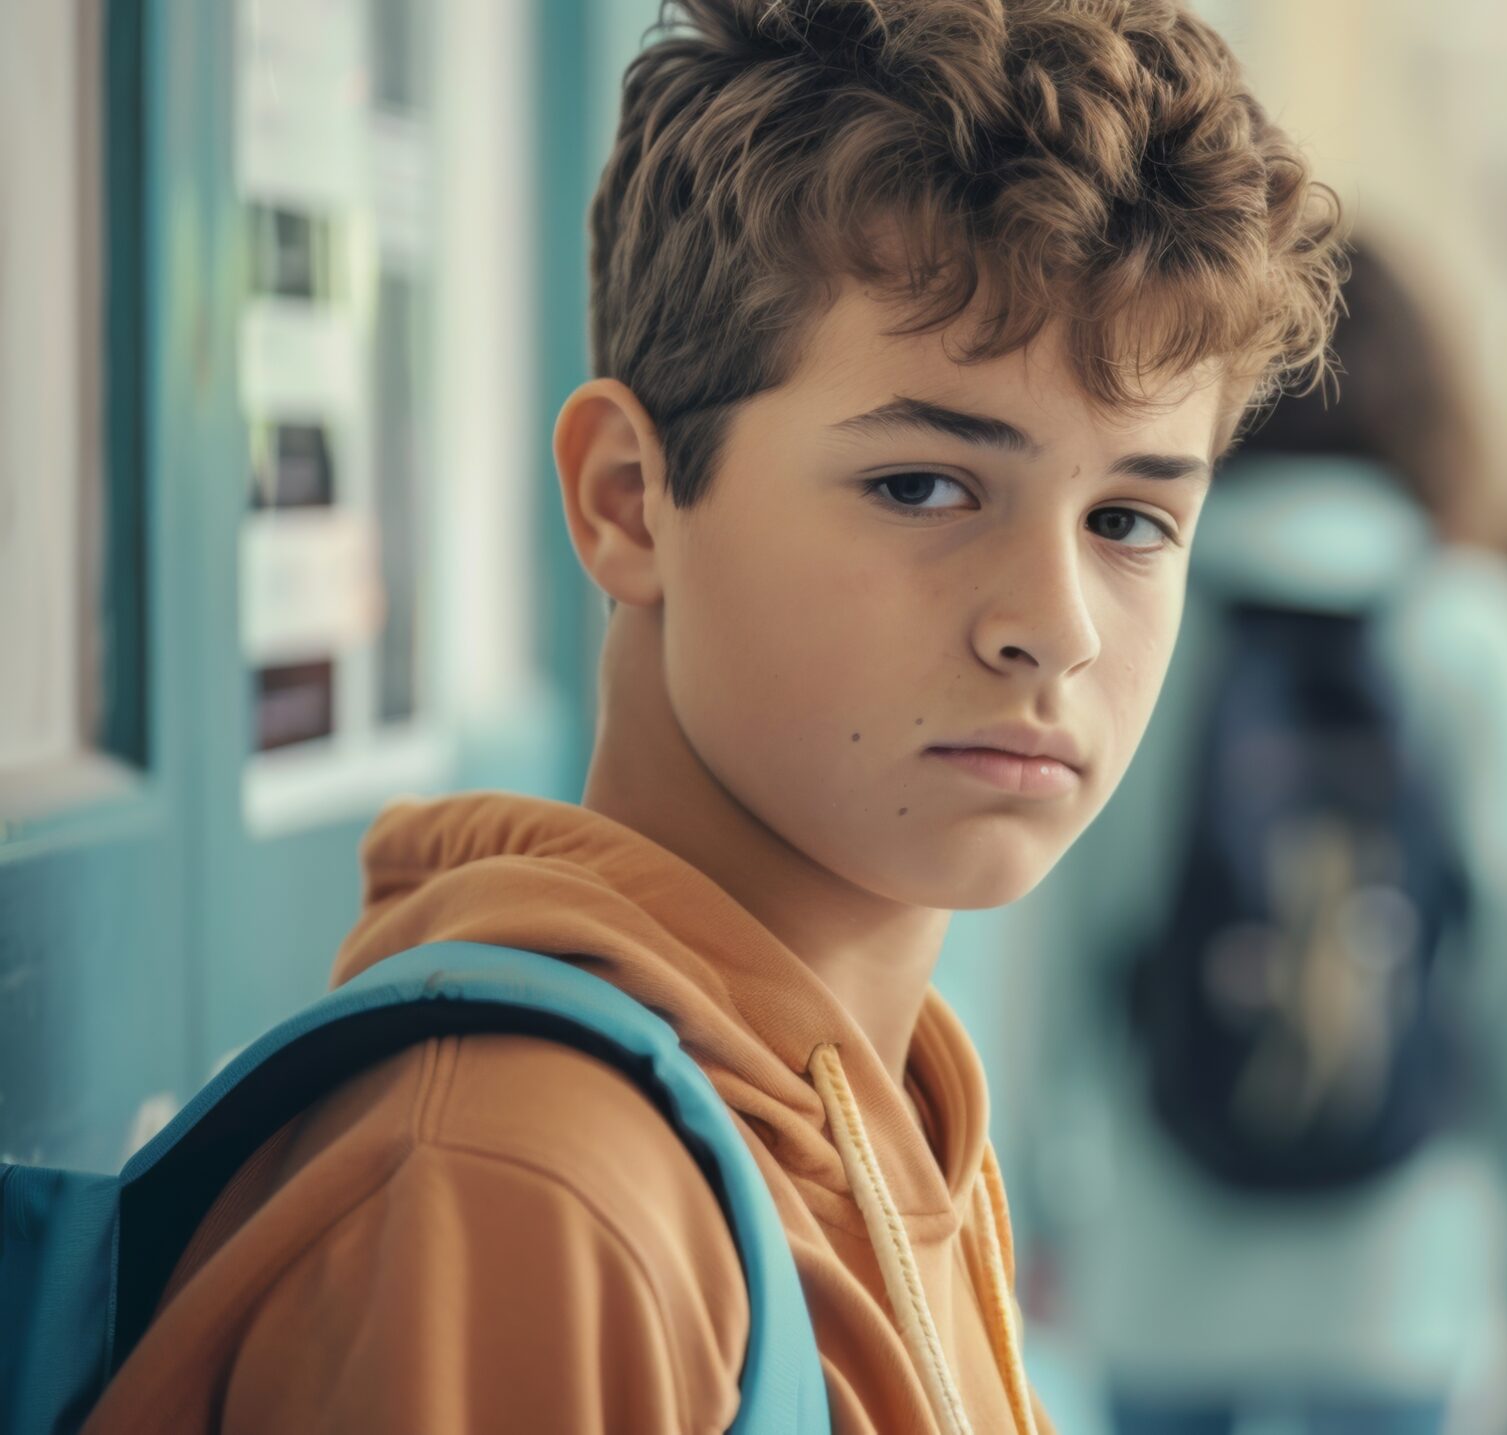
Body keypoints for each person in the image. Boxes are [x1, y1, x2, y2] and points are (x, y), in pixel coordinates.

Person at [82, 1, 1345, 1430]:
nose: (1051, 623)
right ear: (630, 496)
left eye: (1129, 515)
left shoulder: (903, 1121)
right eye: (923, 485)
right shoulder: (530, 1185)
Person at [1009, 245, 1507, 1435]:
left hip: (1161, 1263)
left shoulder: (1137, 607)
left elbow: (1062, 940)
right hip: (1398, 1273)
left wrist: (1025, 1215)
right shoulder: (1476, 634)